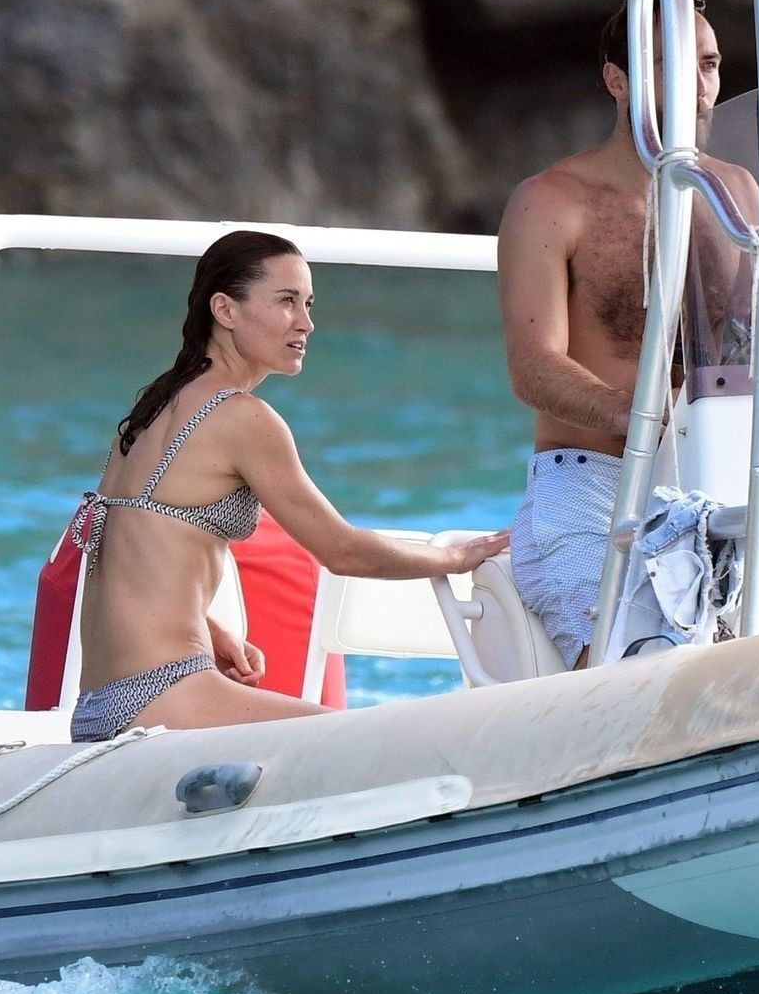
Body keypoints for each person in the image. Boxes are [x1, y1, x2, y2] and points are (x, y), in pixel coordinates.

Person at [68, 231, 508, 743]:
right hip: (165, 694)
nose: (305, 322)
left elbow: (137, 552)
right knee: (377, 741)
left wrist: (211, 631)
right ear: (225, 310)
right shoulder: (243, 418)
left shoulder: (151, 410)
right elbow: (343, 550)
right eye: (286, 301)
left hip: (99, 705)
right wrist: (455, 558)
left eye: (308, 304)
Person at [497, 5, 756, 668]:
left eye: (709, 64)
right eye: (675, 65)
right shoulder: (552, 201)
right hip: (593, 489)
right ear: (618, 79)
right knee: (627, 673)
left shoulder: (737, 192)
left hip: (713, 475)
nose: (700, 85)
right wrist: (645, 417)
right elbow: (533, 368)